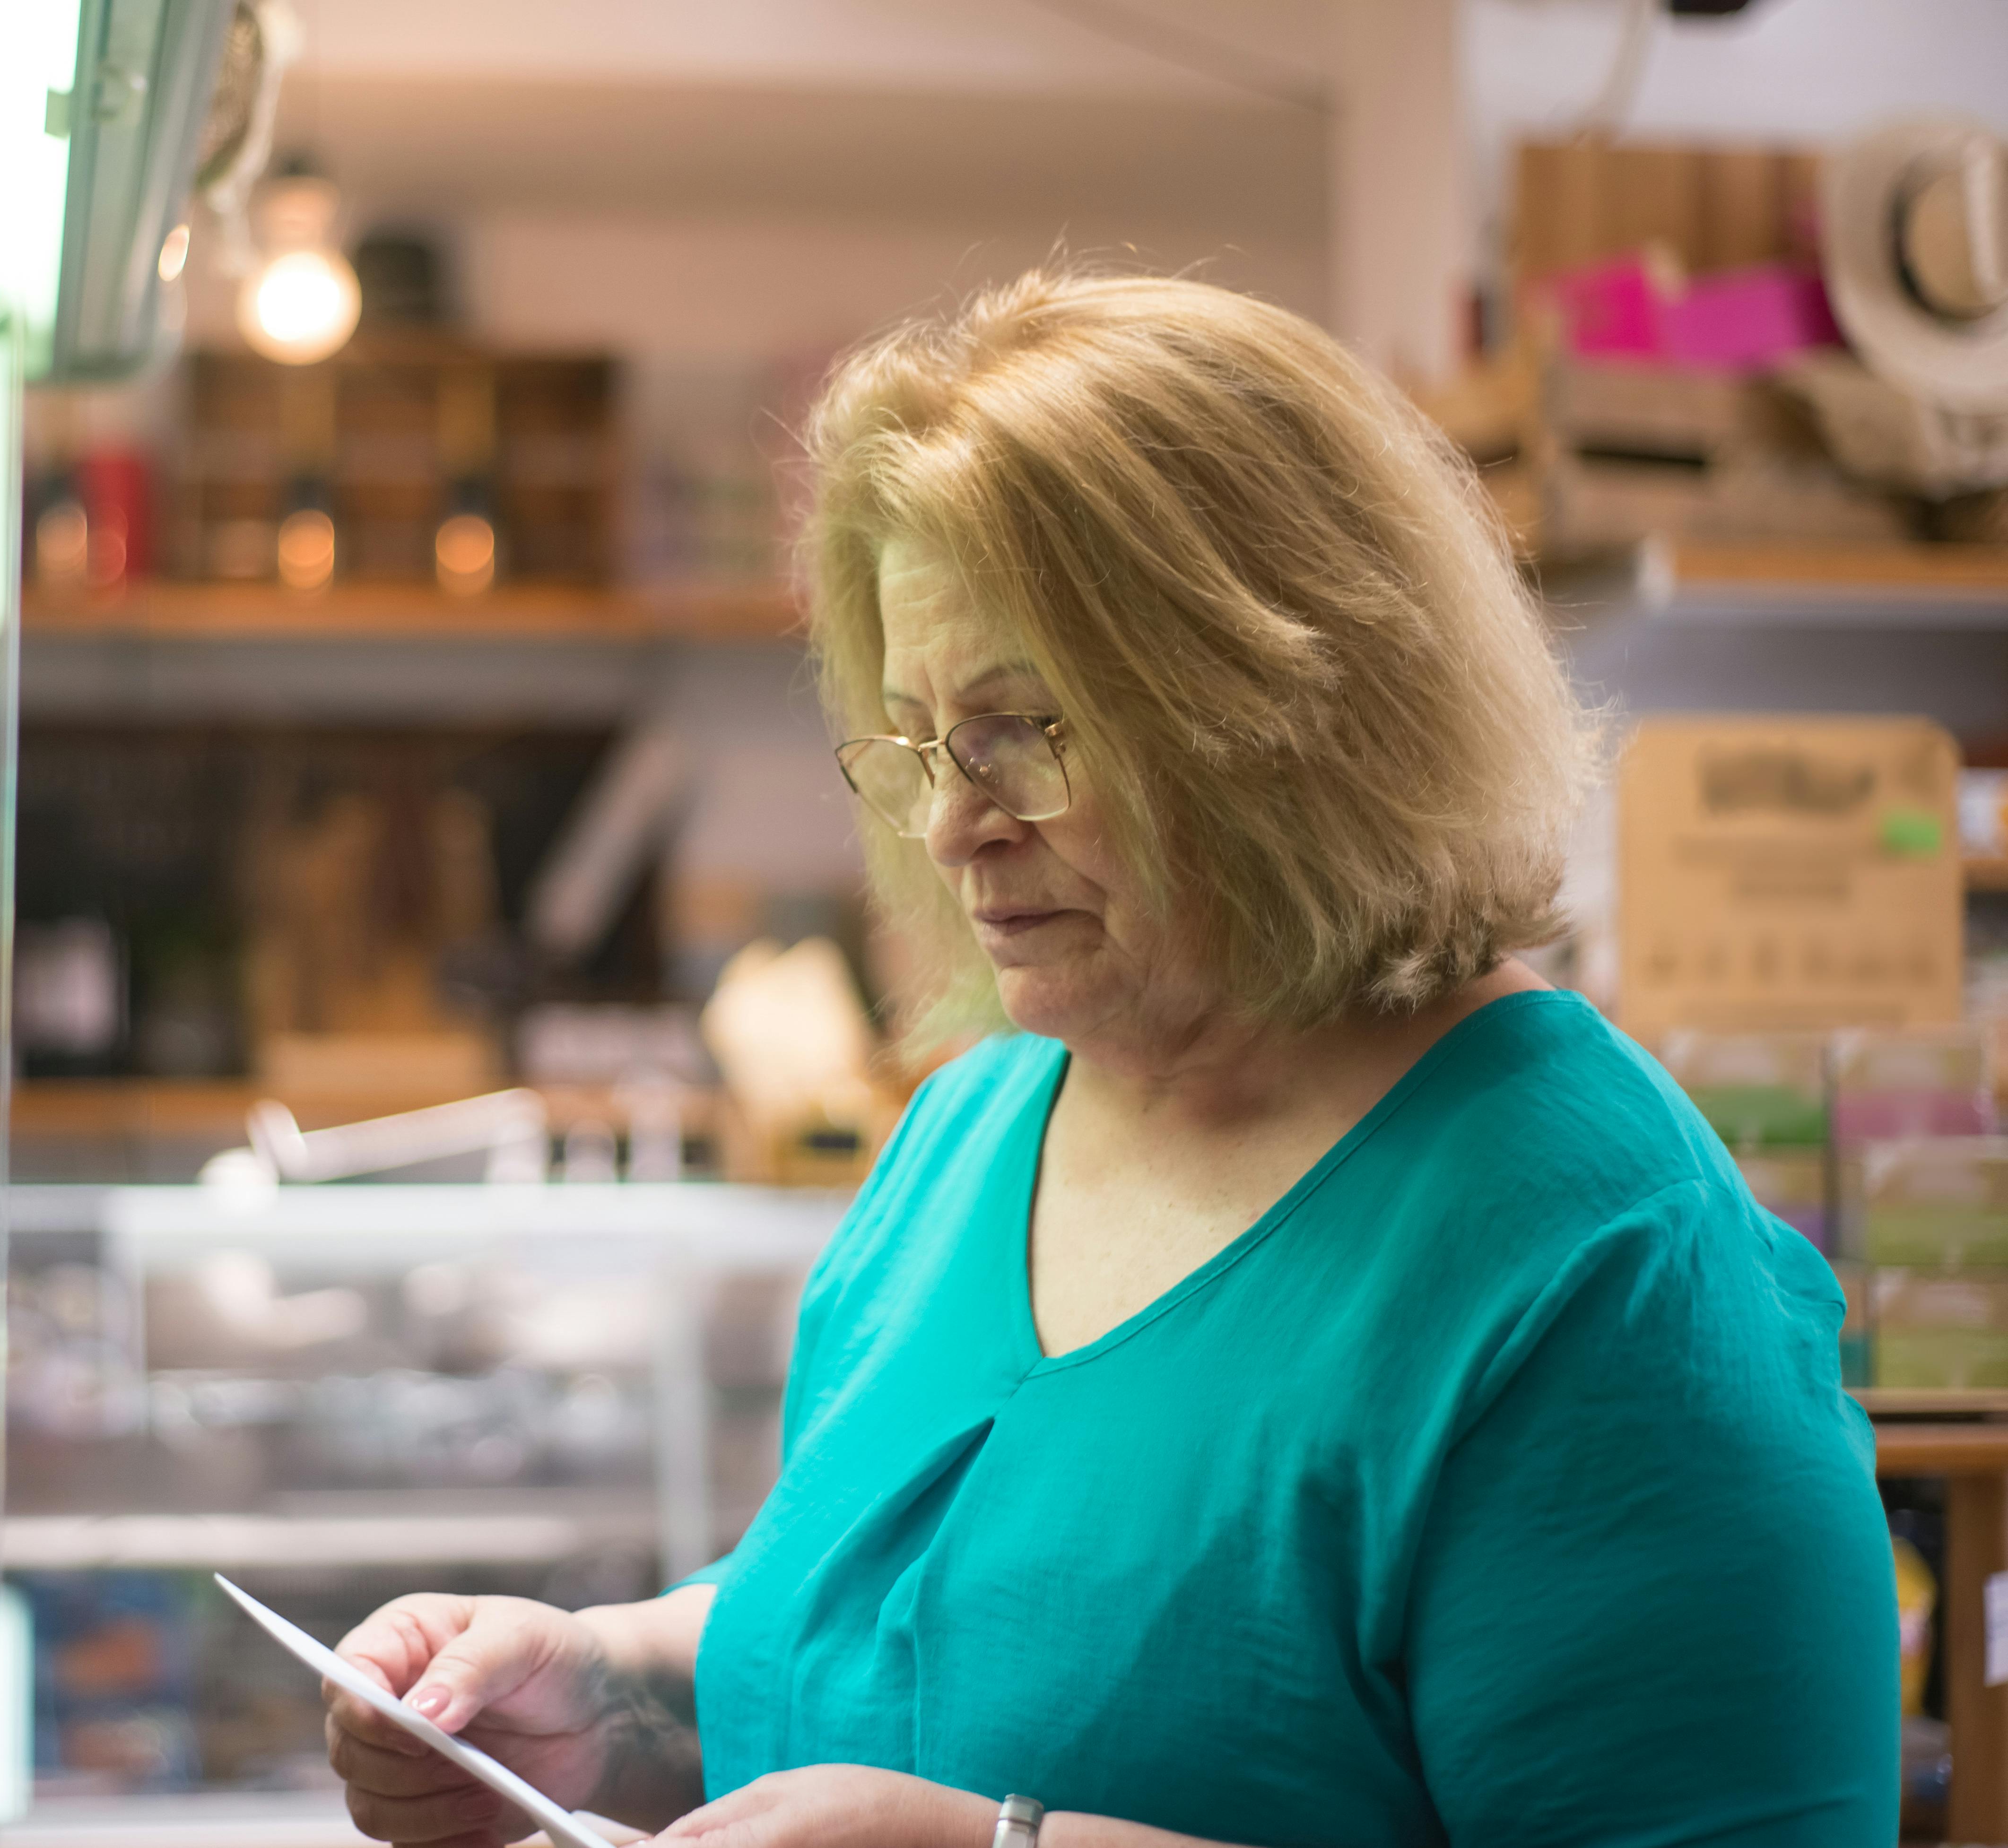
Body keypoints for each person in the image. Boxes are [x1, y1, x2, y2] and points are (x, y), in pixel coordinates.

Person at [321, 271, 1895, 1848]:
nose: (953, 824)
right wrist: (615, 1697)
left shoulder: (1601, 1264)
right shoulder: (977, 1128)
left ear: (1291, 709)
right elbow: (897, 1630)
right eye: (923, 737)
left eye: (1031, 732)